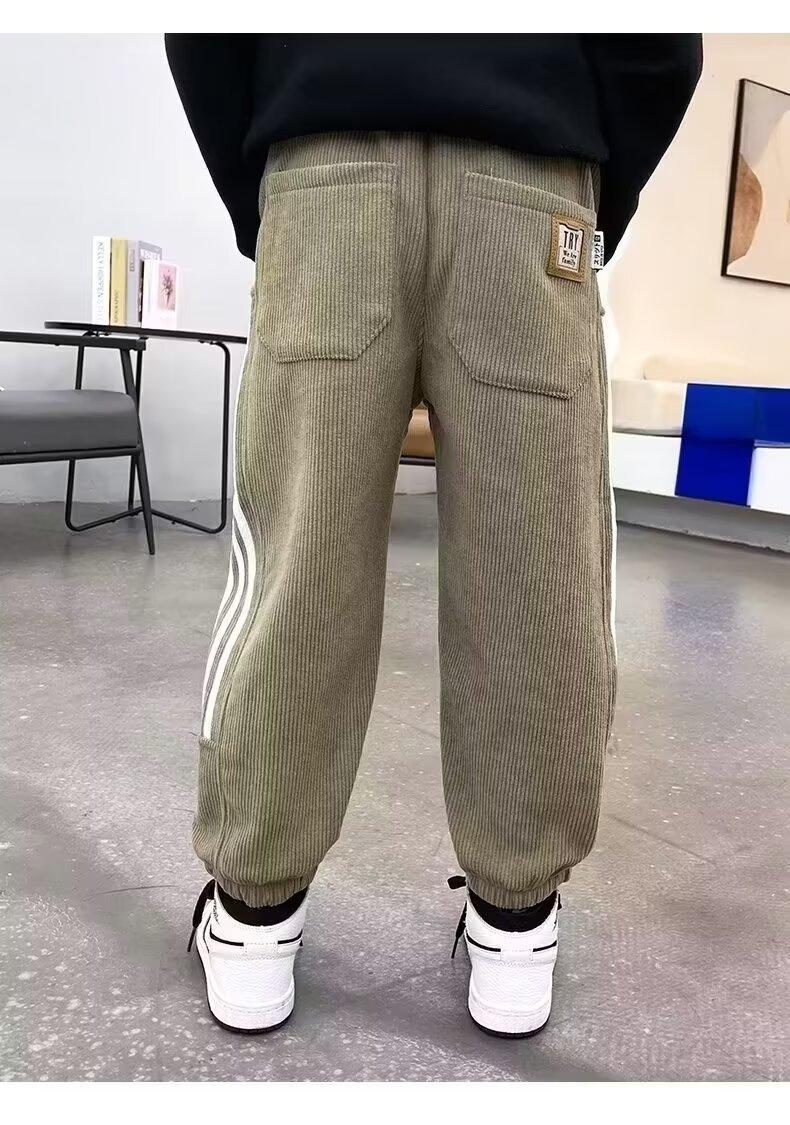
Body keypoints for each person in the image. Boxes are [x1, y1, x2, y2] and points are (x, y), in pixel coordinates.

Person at [166, 32, 702, 1038]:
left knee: (297, 559)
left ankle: (252, 920)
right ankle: (515, 927)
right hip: (529, 180)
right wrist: (590, 183)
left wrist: (270, 189)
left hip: (328, 172)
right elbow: (658, 46)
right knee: (539, 568)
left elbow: (204, 32)